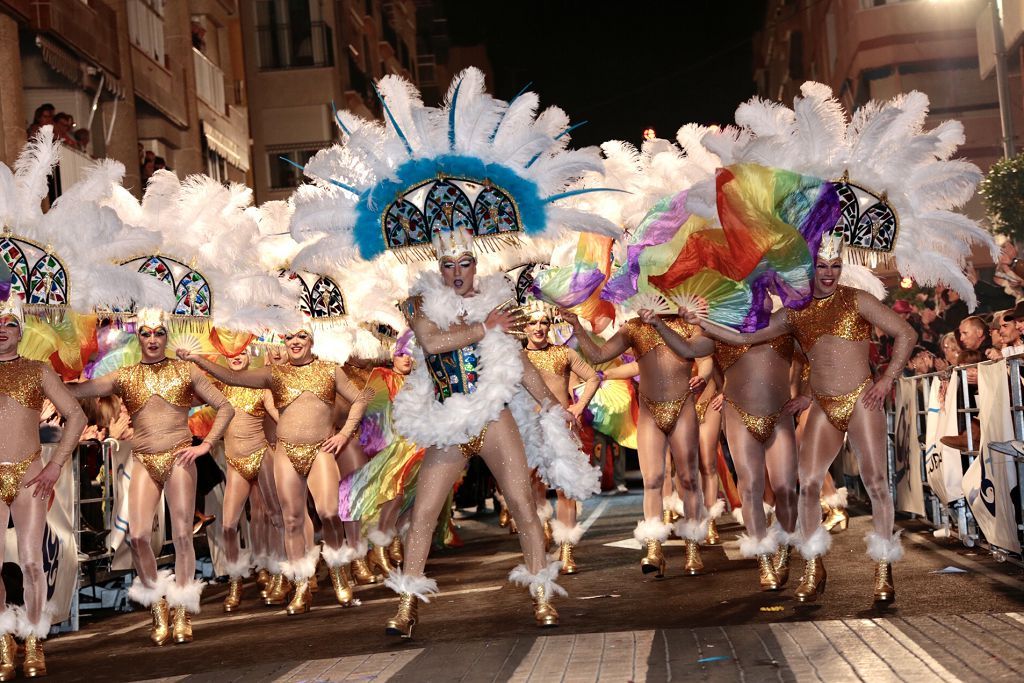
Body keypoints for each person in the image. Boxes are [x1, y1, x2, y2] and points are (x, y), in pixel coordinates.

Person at [677, 232, 916, 604]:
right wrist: (702, 324)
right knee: (807, 485)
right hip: (822, 404)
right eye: (822, 266)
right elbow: (744, 339)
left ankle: (883, 569)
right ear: (809, 269)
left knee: (877, 483)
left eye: (836, 266)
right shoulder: (792, 313)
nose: (829, 273)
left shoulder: (857, 300)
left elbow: (906, 332)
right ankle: (812, 564)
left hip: (861, 400)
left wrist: (887, 379)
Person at [177, 323, 372, 615]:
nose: (294, 342)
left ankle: (338, 570)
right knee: (292, 520)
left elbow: (360, 398)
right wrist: (196, 360)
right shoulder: (274, 374)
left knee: (329, 513)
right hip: (285, 453)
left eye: (301, 336)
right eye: (289, 337)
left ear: (312, 340)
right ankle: (301, 583)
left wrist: (344, 434)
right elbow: (231, 377)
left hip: (320, 450)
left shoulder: (330, 370)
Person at [68, 309, 234, 645]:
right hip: (144, 459)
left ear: (167, 336)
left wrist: (206, 447)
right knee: (139, 537)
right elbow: (80, 391)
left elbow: (225, 406)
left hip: (179, 458)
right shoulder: (125, 376)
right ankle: (158, 607)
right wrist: (45, 378)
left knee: (184, 536)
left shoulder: (185, 370)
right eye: (146, 333)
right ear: (138, 337)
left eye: (159, 333)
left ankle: (183, 610)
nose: (154, 339)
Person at [564, 304, 715, 578]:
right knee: (653, 478)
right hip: (649, 411)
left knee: (689, 478)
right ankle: (654, 547)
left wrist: (703, 379)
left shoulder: (689, 321)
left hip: (682, 408)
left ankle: (693, 544)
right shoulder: (633, 327)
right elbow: (598, 355)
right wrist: (576, 326)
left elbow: (703, 357)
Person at [0, 299, 87, 677]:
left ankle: (34, 640)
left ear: (20, 331)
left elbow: (76, 415)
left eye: (9, 323)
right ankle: (4, 639)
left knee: (32, 562)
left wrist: (55, 465)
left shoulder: (37, 370)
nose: (2, 329)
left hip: (28, 475)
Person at [521, 302, 601, 574]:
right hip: (529, 429)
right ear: (523, 327)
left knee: (565, 490)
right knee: (530, 489)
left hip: (560, 429)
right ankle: (541, 532)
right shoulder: (516, 358)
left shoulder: (563, 353)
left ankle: (567, 551)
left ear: (550, 325)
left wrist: (579, 406)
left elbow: (592, 377)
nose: (538, 328)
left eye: (543, 322)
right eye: (532, 323)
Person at [214, 349, 280, 612]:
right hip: (235, 462)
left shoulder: (258, 383)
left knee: (273, 517)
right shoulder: (219, 387)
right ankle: (235, 579)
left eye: (242, 350)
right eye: (231, 351)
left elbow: (277, 413)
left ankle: (277, 571)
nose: (236, 355)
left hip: (262, 456)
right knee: (228, 525)